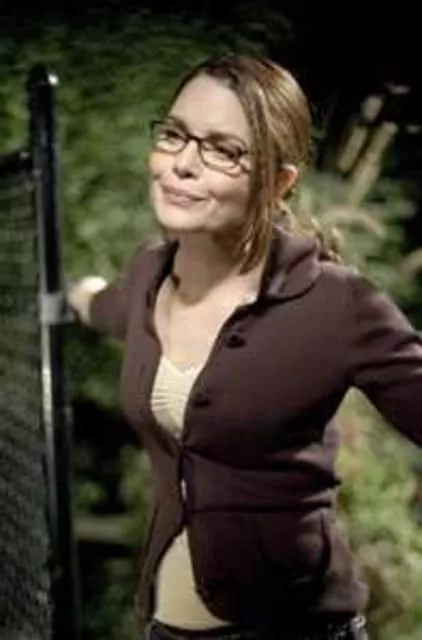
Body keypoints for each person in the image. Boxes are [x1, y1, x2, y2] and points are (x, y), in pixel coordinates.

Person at [68, 53, 422, 640]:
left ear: (278, 182)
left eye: (223, 150)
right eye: (174, 134)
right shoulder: (149, 273)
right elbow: (108, 304)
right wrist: (73, 296)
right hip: (165, 626)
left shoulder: (336, 303)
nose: (183, 164)